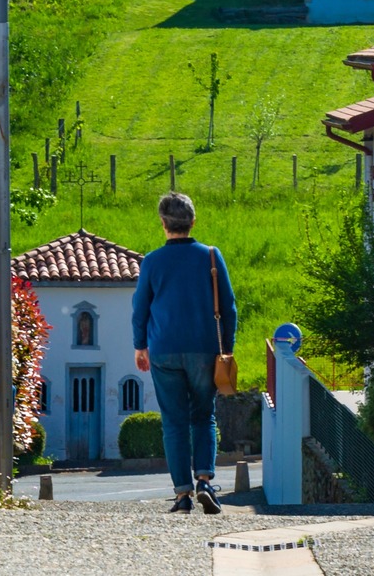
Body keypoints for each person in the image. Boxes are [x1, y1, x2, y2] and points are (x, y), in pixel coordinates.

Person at [131, 191, 237, 514]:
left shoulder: (151, 262)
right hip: (205, 350)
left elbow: (140, 309)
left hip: (163, 351)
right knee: (203, 415)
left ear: (163, 224)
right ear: (193, 222)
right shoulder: (210, 256)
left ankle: (182, 495)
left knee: (174, 422)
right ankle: (205, 480)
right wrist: (226, 349)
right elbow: (229, 308)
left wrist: (140, 346)